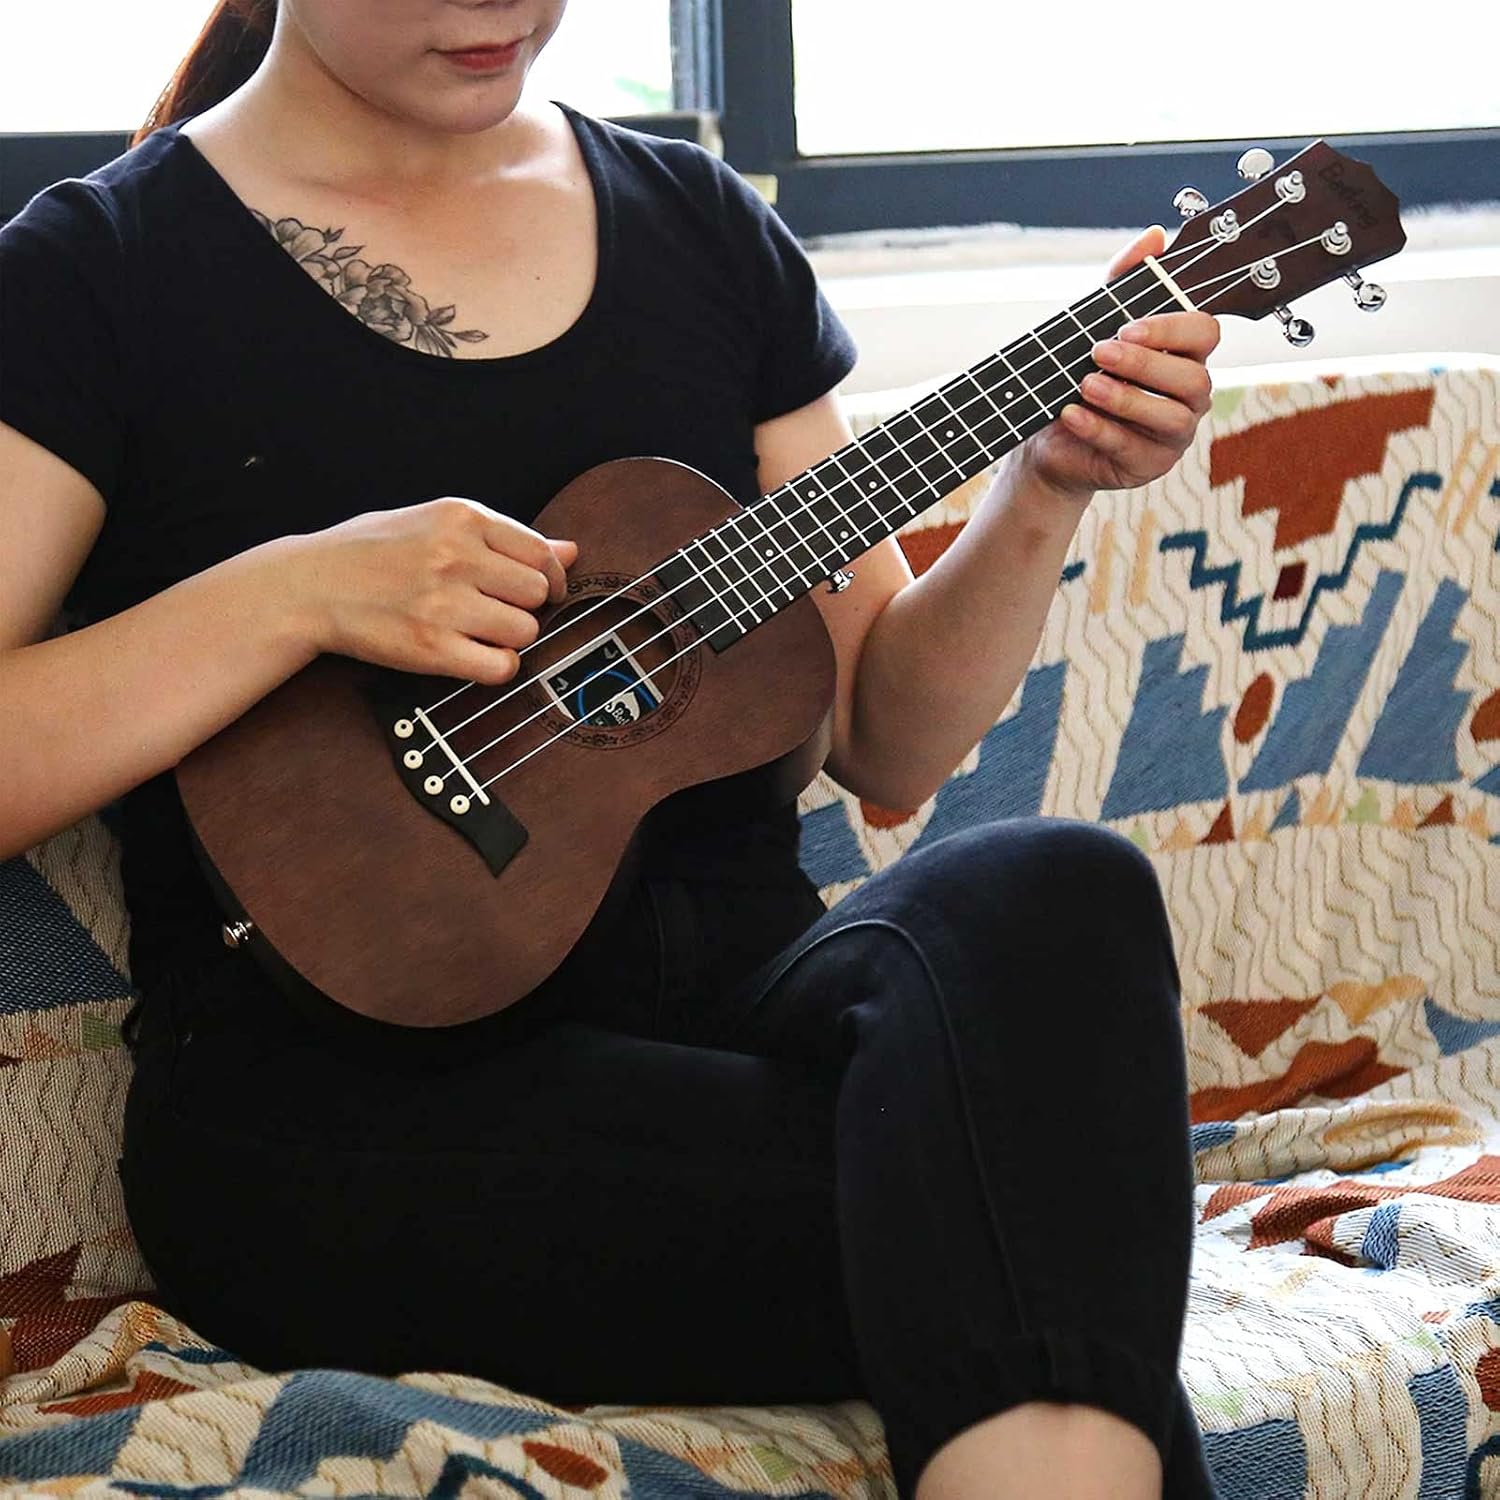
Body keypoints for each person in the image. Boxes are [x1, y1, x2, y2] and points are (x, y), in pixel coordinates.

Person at [0, 3, 1225, 1497]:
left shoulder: (701, 227)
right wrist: (292, 593)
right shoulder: (96, 271)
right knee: (1044, 1195)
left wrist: (1043, 489)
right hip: (352, 1100)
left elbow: (886, 741)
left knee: (1058, 890)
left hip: (741, 1018)